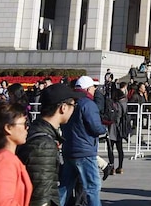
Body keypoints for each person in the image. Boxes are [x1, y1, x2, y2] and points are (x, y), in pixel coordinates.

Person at [17, 84, 81, 206]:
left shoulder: (37, 131)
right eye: (73, 105)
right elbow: (40, 194)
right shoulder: (44, 144)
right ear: (63, 108)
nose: (74, 109)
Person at [60, 76, 106, 206]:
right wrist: (104, 129)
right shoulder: (88, 104)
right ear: (87, 88)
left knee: (65, 186)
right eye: (93, 87)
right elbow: (95, 127)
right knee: (92, 187)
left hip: (69, 149)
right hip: (85, 151)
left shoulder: (70, 102)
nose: (94, 90)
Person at [106, 88, 131, 175]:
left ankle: (112, 167)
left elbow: (114, 116)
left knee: (110, 148)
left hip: (113, 128)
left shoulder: (115, 104)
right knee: (120, 149)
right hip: (121, 128)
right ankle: (120, 167)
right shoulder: (125, 103)